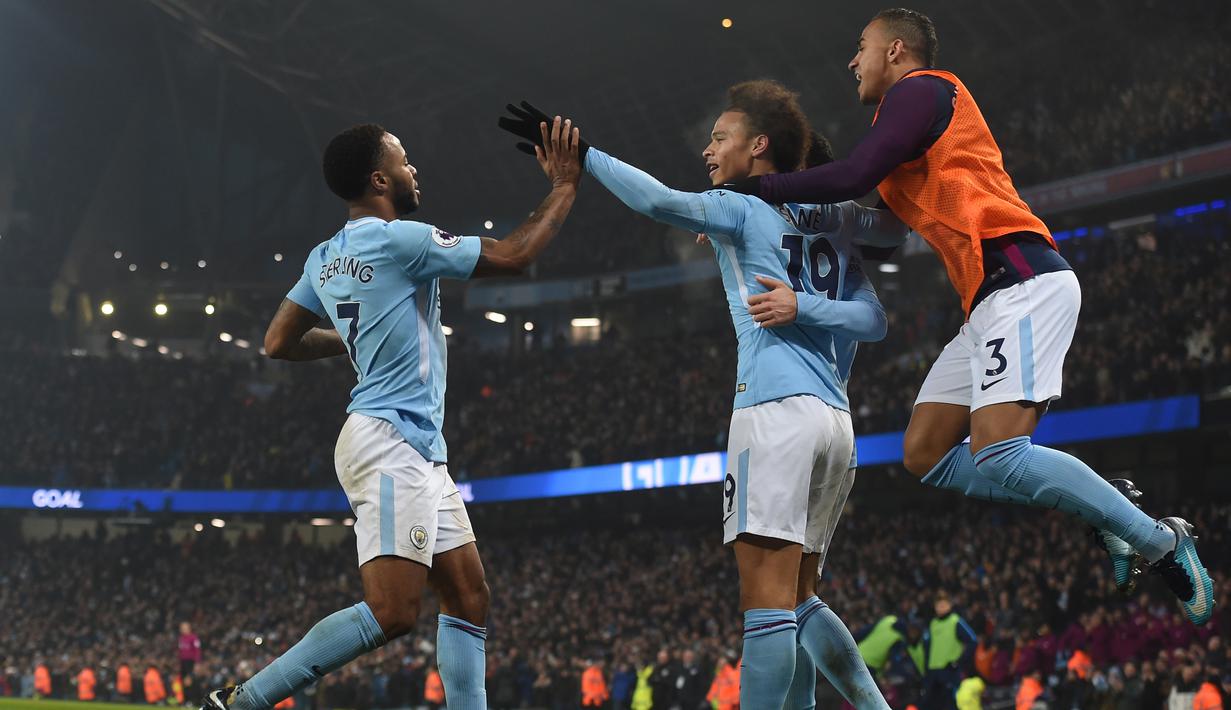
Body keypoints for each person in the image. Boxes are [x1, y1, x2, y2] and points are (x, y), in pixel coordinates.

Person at [722, 6, 1213, 624]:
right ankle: (1107, 506)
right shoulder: (899, 129)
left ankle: (1160, 541)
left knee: (999, 451)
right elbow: (881, 235)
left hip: (1024, 279)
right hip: (986, 301)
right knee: (925, 453)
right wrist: (770, 221)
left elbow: (852, 175)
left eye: (861, 47)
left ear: (896, 50)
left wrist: (749, 190)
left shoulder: (923, 90)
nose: (852, 61)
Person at [500, 82, 904, 709]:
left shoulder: (739, 207)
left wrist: (586, 155)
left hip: (773, 412)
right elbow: (875, 315)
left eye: (720, 138)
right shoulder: (833, 221)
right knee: (800, 600)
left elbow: (659, 201)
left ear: (759, 145)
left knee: (767, 605)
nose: (708, 150)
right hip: (835, 423)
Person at [200, 117, 584, 710]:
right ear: (380, 179)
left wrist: (354, 338)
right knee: (393, 611)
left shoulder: (325, 257)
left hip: (416, 447)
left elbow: (277, 341)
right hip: (387, 440)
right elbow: (515, 255)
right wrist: (564, 184)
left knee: (469, 597)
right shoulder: (400, 239)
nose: (413, 169)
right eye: (403, 161)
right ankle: (242, 702)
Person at [919, 595, 977, 710]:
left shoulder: (955, 621)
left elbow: (972, 641)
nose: (941, 608)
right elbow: (928, 648)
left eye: (943, 605)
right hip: (933, 671)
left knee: (951, 705)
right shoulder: (933, 623)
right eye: (938, 605)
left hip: (949, 671)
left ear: (950, 605)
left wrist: (958, 662)